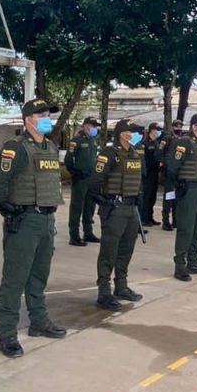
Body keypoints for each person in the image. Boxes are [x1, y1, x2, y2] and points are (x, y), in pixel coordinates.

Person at [0, 98, 68, 358]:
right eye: (41, 113)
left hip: (46, 219)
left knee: (39, 275)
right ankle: (8, 333)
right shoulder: (16, 148)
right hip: (24, 221)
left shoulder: (50, 147)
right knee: (15, 279)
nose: (47, 117)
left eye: (48, 113)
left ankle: (39, 320)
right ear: (28, 119)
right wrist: (10, 212)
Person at [90, 119, 147, 310]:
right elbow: (95, 181)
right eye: (134, 132)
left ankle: (121, 286)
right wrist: (105, 202)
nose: (138, 135)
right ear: (123, 134)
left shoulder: (135, 154)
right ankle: (104, 291)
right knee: (109, 250)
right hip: (115, 209)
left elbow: (140, 182)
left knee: (126, 249)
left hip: (131, 209)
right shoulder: (109, 153)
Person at [167, 113, 197, 281]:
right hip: (189, 190)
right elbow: (172, 166)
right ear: (195, 126)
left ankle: (193, 261)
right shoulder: (184, 142)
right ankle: (180, 265)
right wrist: (180, 185)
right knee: (186, 228)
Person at [65, 116, 100, 246]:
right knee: (77, 207)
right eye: (92, 126)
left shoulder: (93, 141)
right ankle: (74, 235)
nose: (94, 129)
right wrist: (75, 172)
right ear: (85, 126)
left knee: (89, 207)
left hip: (91, 178)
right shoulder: (76, 141)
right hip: (80, 178)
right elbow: (68, 159)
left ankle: (88, 233)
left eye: (96, 126)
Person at [160, 119, 183, 231]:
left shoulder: (181, 139)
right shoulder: (166, 138)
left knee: (176, 198)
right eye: (177, 126)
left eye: (180, 126)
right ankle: (165, 221)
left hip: (178, 172)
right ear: (173, 127)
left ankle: (175, 220)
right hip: (169, 172)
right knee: (169, 196)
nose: (178, 129)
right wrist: (166, 165)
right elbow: (160, 152)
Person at [139, 122, 163, 226]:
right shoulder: (145, 143)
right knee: (146, 197)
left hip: (155, 172)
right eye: (157, 130)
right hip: (147, 174)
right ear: (152, 130)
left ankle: (150, 216)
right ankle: (144, 218)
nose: (158, 132)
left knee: (152, 196)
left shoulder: (156, 142)